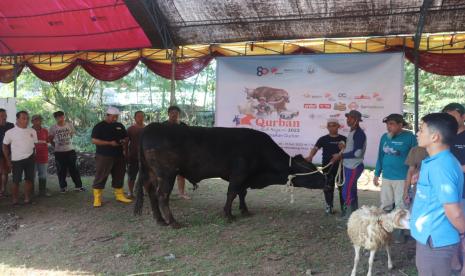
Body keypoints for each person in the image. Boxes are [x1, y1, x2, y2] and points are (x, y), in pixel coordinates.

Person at [410, 113, 465, 276]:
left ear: (435, 137)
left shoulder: (441, 166)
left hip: (436, 241)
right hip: (432, 237)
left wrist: (463, 233)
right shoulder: (437, 161)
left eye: (421, 130)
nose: (418, 133)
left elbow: (454, 212)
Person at [374, 114, 417, 212]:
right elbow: (380, 156)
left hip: (402, 178)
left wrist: (414, 175)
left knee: (401, 207)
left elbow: (416, 158)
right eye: (387, 124)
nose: (388, 127)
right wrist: (377, 174)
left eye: (391, 124)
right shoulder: (384, 137)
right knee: (385, 205)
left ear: (400, 124)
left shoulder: (410, 137)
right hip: (386, 177)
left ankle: (400, 227)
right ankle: (386, 226)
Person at [91, 106, 131, 207]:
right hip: (104, 156)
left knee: (119, 175)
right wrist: (109, 143)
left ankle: (119, 195)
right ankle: (97, 198)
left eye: (116, 117)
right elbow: (94, 140)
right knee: (101, 176)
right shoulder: (99, 126)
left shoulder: (119, 125)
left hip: (119, 155)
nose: (115, 118)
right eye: (113, 116)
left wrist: (124, 141)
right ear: (107, 115)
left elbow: (126, 137)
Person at [330, 110, 366, 219]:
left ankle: (350, 216)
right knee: (351, 190)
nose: (348, 120)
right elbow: (353, 149)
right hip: (350, 166)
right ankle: (355, 215)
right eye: (347, 118)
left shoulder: (359, 133)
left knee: (347, 192)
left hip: (353, 166)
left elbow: (357, 153)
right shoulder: (353, 132)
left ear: (356, 120)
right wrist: (344, 149)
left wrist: (340, 156)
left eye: (350, 118)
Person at [442, 103, 465, 272]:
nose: (449, 119)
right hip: (447, 193)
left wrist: (452, 169)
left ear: (463, 117)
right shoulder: (443, 137)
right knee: (451, 229)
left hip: (464, 192)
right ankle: (455, 262)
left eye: (453, 115)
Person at [306, 118, 346, 214]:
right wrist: (310, 156)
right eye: (330, 125)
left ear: (338, 126)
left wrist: (341, 154)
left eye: (334, 125)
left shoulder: (344, 139)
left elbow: (349, 152)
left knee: (342, 188)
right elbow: (315, 148)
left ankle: (344, 208)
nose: (332, 127)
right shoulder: (323, 139)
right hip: (327, 167)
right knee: (328, 187)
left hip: (341, 168)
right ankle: (329, 207)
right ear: (327, 127)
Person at [3, 111, 37, 205]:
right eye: (23, 118)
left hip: (30, 158)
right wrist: (7, 160)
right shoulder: (10, 132)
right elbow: (5, 146)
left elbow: (34, 145)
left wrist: (33, 157)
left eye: (27, 118)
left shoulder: (32, 131)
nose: (26, 120)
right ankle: (15, 200)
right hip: (16, 160)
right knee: (16, 181)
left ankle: (27, 198)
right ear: (17, 119)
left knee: (29, 179)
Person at [49, 111, 84, 193]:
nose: (60, 118)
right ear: (55, 118)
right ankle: (63, 188)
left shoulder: (69, 125)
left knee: (74, 169)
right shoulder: (53, 127)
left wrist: (66, 143)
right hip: (59, 152)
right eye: (57, 117)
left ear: (63, 116)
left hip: (70, 151)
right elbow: (50, 139)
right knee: (61, 170)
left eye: (61, 116)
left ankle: (78, 186)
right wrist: (56, 146)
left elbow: (72, 135)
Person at [163, 105, 190, 200]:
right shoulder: (163, 126)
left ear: (179, 114)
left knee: (181, 174)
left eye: (176, 113)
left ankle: (181, 193)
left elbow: (188, 139)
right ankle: (165, 193)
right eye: (172, 113)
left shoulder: (183, 126)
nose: (174, 115)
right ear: (168, 114)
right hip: (166, 154)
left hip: (180, 154)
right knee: (165, 174)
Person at [127, 110, 145, 198]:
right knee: (131, 175)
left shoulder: (147, 129)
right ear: (135, 118)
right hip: (133, 156)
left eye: (142, 116)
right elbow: (126, 142)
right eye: (138, 116)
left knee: (145, 175)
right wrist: (125, 153)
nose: (140, 118)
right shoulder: (130, 129)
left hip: (145, 157)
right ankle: (130, 192)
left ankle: (141, 190)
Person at [31, 114, 50, 197]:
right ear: (32, 121)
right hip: (31, 157)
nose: (38, 121)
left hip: (43, 156)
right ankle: (30, 192)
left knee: (43, 174)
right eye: (36, 120)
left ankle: (42, 192)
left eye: (40, 120)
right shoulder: (28, 131)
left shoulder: (45, 130)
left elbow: (48, 141)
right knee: (31, 175)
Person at [0, 109, 14, 197]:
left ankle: (3, 189)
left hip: (8, 152)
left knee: (6, 172)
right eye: (1, 115)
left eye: (4, 115)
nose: (3, 117)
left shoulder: (10, 125)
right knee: (0, 171)